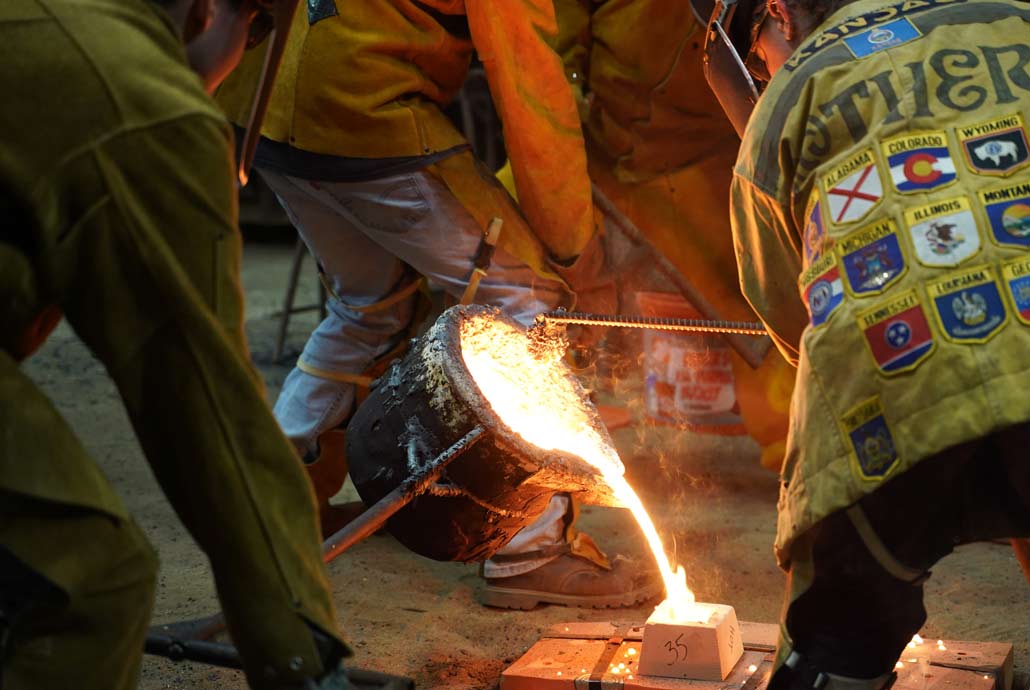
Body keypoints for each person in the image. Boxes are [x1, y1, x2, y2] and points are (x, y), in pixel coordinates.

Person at [707, 1, 1030, 689]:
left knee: (837, 646)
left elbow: (782, 304)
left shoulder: (789, 94)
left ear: (779, 15)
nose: (764, 73)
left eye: (757, 53)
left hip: (891, 405)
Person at [213, 0, 657, 610]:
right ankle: (530, 553)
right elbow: (531, 91)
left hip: (263, 104)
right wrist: (573, 248)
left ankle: (271, 513)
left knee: (369, 306)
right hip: (362, 109)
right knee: (533, 299)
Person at [0, 0, 353, 688]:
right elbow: (206, 406)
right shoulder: (149, 101)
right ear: (212, 9)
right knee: (88, 577)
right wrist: (302, 647)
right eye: (252, 40)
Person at [537, 0, 795, 471]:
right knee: (515, 267)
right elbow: (554, 35)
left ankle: (798, 455)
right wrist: (562, 104)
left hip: (701, 164)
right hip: (593, 146)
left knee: (758, 301)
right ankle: (529, 444)